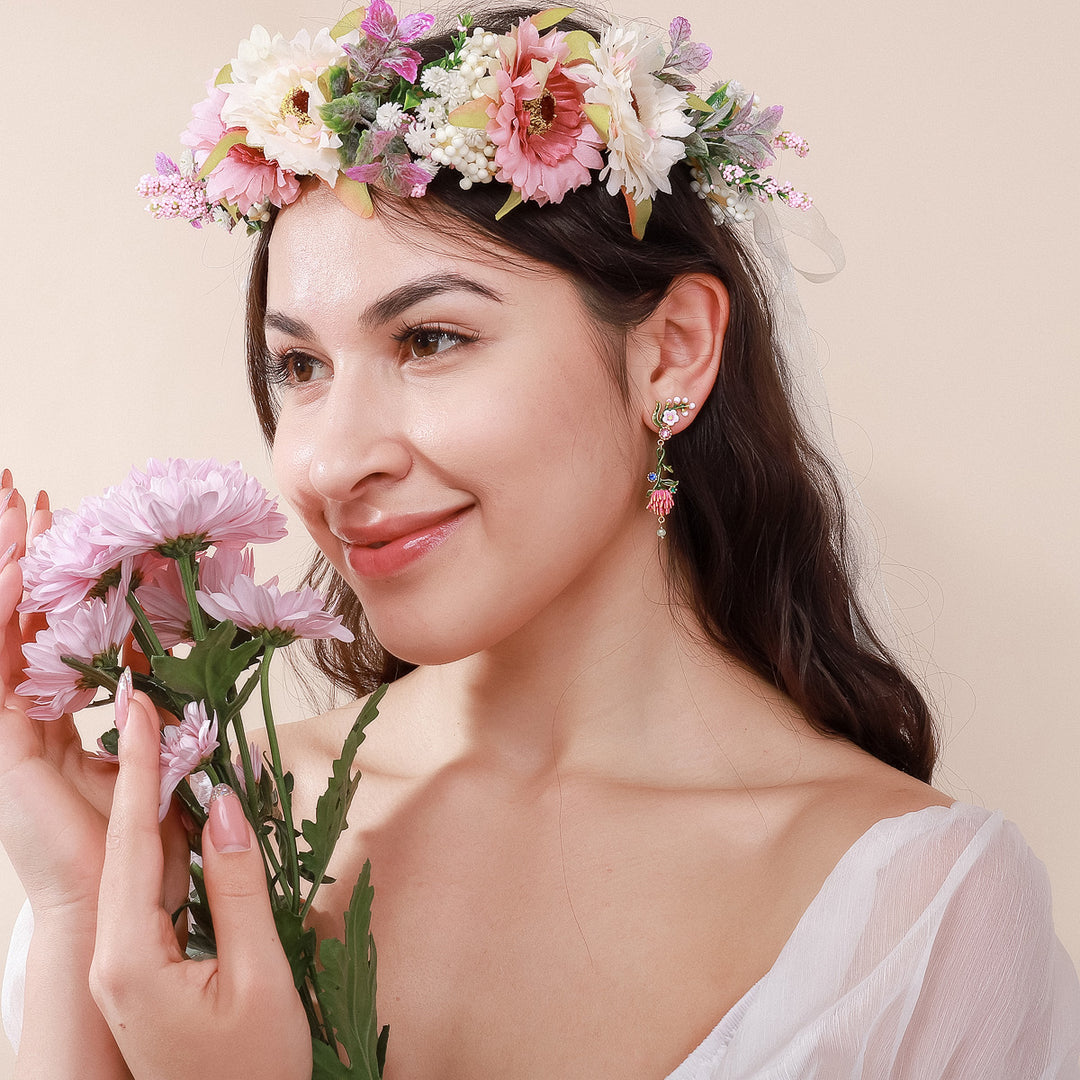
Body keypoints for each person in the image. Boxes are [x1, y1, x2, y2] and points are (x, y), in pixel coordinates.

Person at [0, 4, 1078, 1077]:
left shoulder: (922, 914)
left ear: (673, 353)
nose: (328, 464)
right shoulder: (201, 826)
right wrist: (77, 909)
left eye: (430, 339)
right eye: (300, 367)